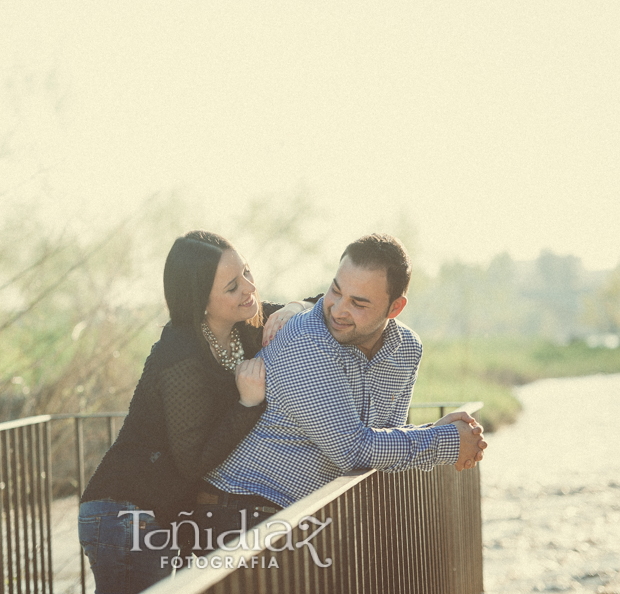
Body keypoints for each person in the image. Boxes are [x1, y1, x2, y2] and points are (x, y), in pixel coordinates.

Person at [199, 233, 487, 532]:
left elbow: (386, 441)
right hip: (240, 513)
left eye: (358, 303)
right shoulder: (307, 341)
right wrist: (448, 441)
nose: (337, 310)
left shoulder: (406, 349)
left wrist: (436, 433)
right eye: (335, 291)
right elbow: (353, 450)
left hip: (307, 518)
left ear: (395, 308)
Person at [77, 230, 313, 594]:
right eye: (232, 286)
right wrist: (247, 404)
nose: (249, 288)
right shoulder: (180, 353)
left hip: (162, 513)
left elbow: (326, 304)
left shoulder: (247, 324)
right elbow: (192, 461)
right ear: (201, 301)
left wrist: (295, 309)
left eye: (247, 272)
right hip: (125, 513)